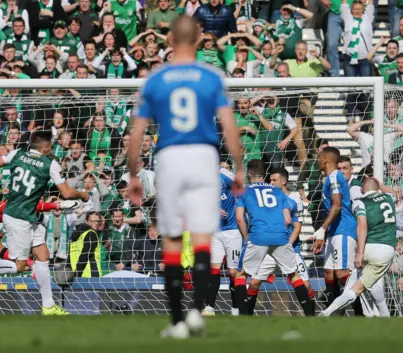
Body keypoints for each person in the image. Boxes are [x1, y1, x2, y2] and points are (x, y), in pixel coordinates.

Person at [128, 15, 244, 338]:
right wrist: (237, 167)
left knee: (173, 239)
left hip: (170, 156)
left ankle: (178, 321)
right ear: (198, 40)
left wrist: (134, 174)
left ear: (168, 41)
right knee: (203, 236)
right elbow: (229, 125)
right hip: (205, 155)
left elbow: (137, 133)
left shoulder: (155, 78)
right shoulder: (211, 76)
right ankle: (197, 312)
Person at [0, 130, 89, 315]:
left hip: (24, 214)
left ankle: (49, 306)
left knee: (42, 255)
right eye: (50, 148)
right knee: (18, 266)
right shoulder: (50, 164)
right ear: (45, 148)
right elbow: (66, 193)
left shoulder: (17, 154)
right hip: (19, 217)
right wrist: (82, 194)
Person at [237, 160, 314, 316]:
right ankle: (310, 315)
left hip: (258, 236)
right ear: (264, 174)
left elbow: (239, 218)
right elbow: (287, 220)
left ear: (249, 174)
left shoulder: (244, 191)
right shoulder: (278, 191)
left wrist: (247, 238)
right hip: (280, 236)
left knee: (242, 276)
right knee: (294, 275)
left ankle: (243, 315)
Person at [319, 177, 396, 317]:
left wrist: (360, 253)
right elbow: (394, 192)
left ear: (361, 190)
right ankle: (326, 314)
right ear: (378, 188)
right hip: (384, 250)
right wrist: (380, 184)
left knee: (365, 284)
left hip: (367, 248)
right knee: (356, 289)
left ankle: (385, 317)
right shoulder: (388, 198)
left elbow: (362, 223)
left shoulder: (360, 202)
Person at [312, 147, 358, 310]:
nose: (317, 161)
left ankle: (361, 311)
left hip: (344, 229)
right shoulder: (329, 179)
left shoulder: (334, 177)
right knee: (328, 272)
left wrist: (322, 229)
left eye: (318, 158)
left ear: (325, 160)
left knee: (342, 273)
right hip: (334, 231)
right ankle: (334, 312)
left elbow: (337, 205)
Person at [202, 166, 242, 317]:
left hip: (233, 231)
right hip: (214, 231)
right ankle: (209, 308)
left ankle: (236, 309)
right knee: (213, 269)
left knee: (233, 272)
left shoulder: (225, 175)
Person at [269, 167, 312, 296]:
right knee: (253, 281)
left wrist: (286, 245)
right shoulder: (268, 200)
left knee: (305, 285)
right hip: (270, 248)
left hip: (291, 248)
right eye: (270, 180)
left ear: (283, 181)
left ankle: (311, 312)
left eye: (274, 180)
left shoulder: (294, 200)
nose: (271, 183)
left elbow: (297, 227)